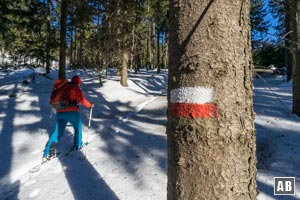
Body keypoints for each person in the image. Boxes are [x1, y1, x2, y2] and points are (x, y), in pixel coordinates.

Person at [43, 75, 93, 160]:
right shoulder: (75, 88)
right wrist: (90, 105)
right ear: (78, 83)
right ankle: (77, 146)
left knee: (57, 132)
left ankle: (48, 151)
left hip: (60, 113)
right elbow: (82, 99)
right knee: (77, 128)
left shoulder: (63, 87)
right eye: (79, 83)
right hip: (72, 112)